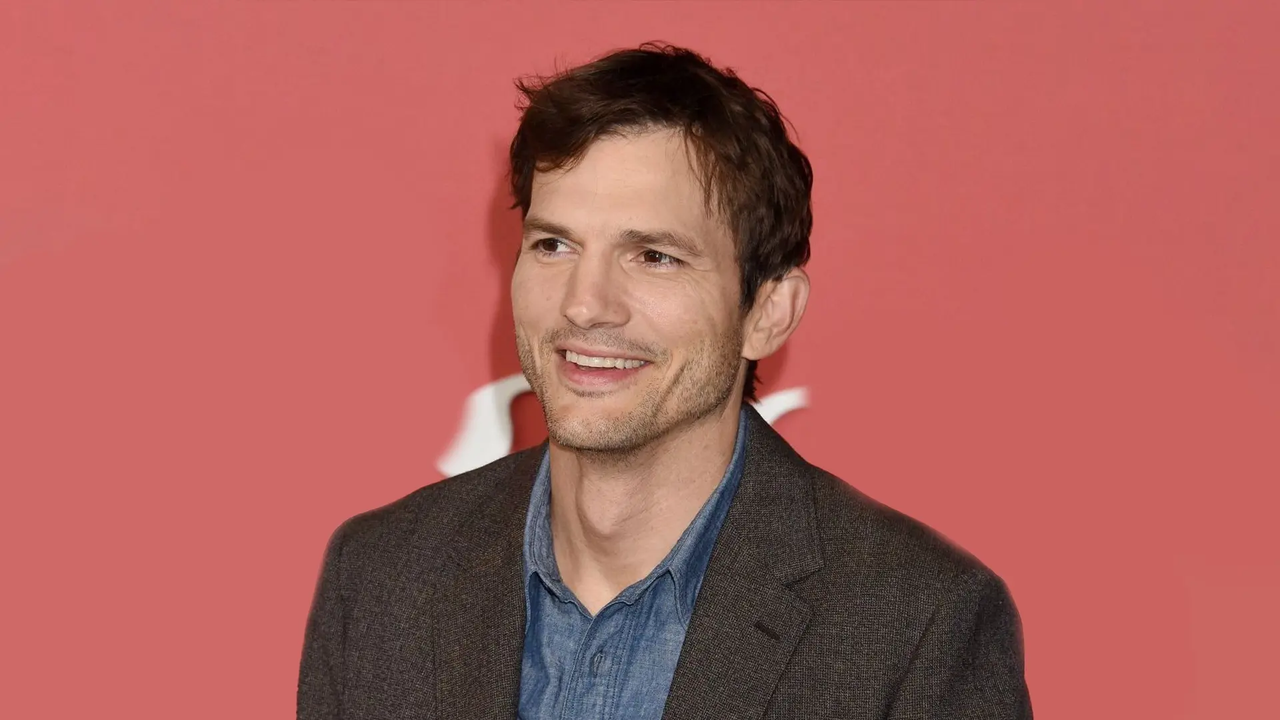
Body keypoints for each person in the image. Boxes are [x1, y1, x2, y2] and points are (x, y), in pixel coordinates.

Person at [298, 43, 1032, 720]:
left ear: (767, 313)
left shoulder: (917, 627)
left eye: (654, 257)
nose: (585, 304)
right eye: (553, 245)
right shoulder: (382, 578)